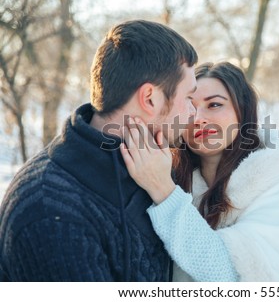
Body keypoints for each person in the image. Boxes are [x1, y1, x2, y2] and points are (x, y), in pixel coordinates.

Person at [0, 20, 198, 281]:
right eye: (188, 98)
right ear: (150, 98)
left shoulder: (151, 166)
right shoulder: (50, 211)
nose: (193, 112)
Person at [121, 62, 279, 281]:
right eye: (190, 107)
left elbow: (232, 276)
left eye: (214, 105)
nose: (198, 119)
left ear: (242, 113)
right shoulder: (173, 178)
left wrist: (163, 191)